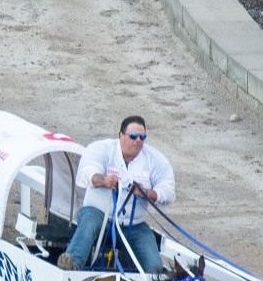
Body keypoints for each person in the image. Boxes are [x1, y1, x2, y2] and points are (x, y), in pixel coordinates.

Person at [58, 116, 175, 272]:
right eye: (133, 136)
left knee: (153, 263)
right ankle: (71, 264)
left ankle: (156, 279)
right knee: (89, 224)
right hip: (99, 213)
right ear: (121, 135)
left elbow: (168, 191)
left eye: (142, 137)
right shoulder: (102, 149)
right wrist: (104, 180)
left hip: (133, 224)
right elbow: (87, 172)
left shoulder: (155, 159)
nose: (138, 141)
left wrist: (147, 193)